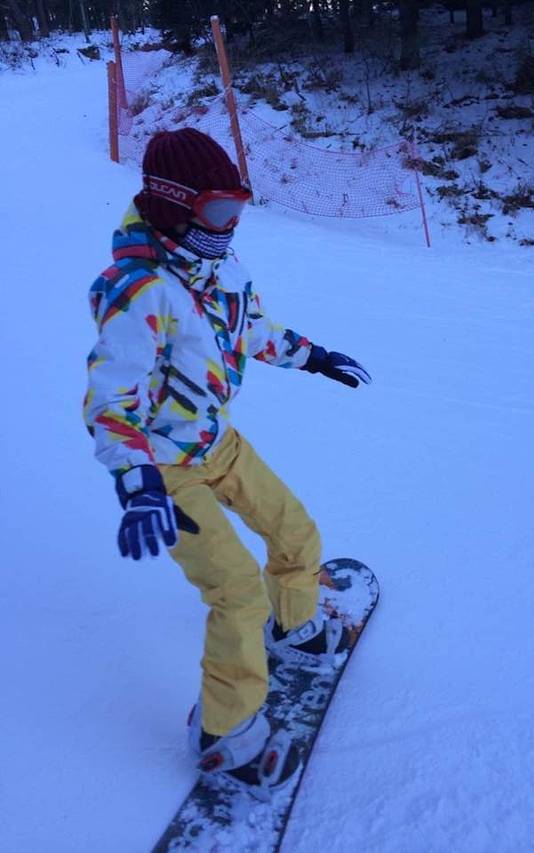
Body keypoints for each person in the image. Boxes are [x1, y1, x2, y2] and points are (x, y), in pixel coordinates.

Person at [83, 127, 371, 788]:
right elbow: (110, 400)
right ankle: (225, 733)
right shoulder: (140, 292)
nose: (232, 224)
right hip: (165, 467)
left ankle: (293, 625)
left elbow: (253, 329)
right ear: (174, 205)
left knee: (295, 530)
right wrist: (138, 483)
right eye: (218, 210)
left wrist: (312, 356)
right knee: (236, 591)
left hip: (218, 440)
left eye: (239, 208)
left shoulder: (219, 266)